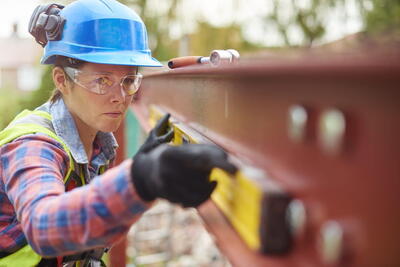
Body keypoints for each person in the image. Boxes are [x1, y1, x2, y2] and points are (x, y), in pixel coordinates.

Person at [0, 0, 237, 266]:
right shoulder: (33, 143)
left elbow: (90, 229)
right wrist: (140, 179)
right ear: (61, 80)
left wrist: (139, 171)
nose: (120, 97)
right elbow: (43, 228)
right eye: (102, 81)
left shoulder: (98, 143)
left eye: (128, 80)